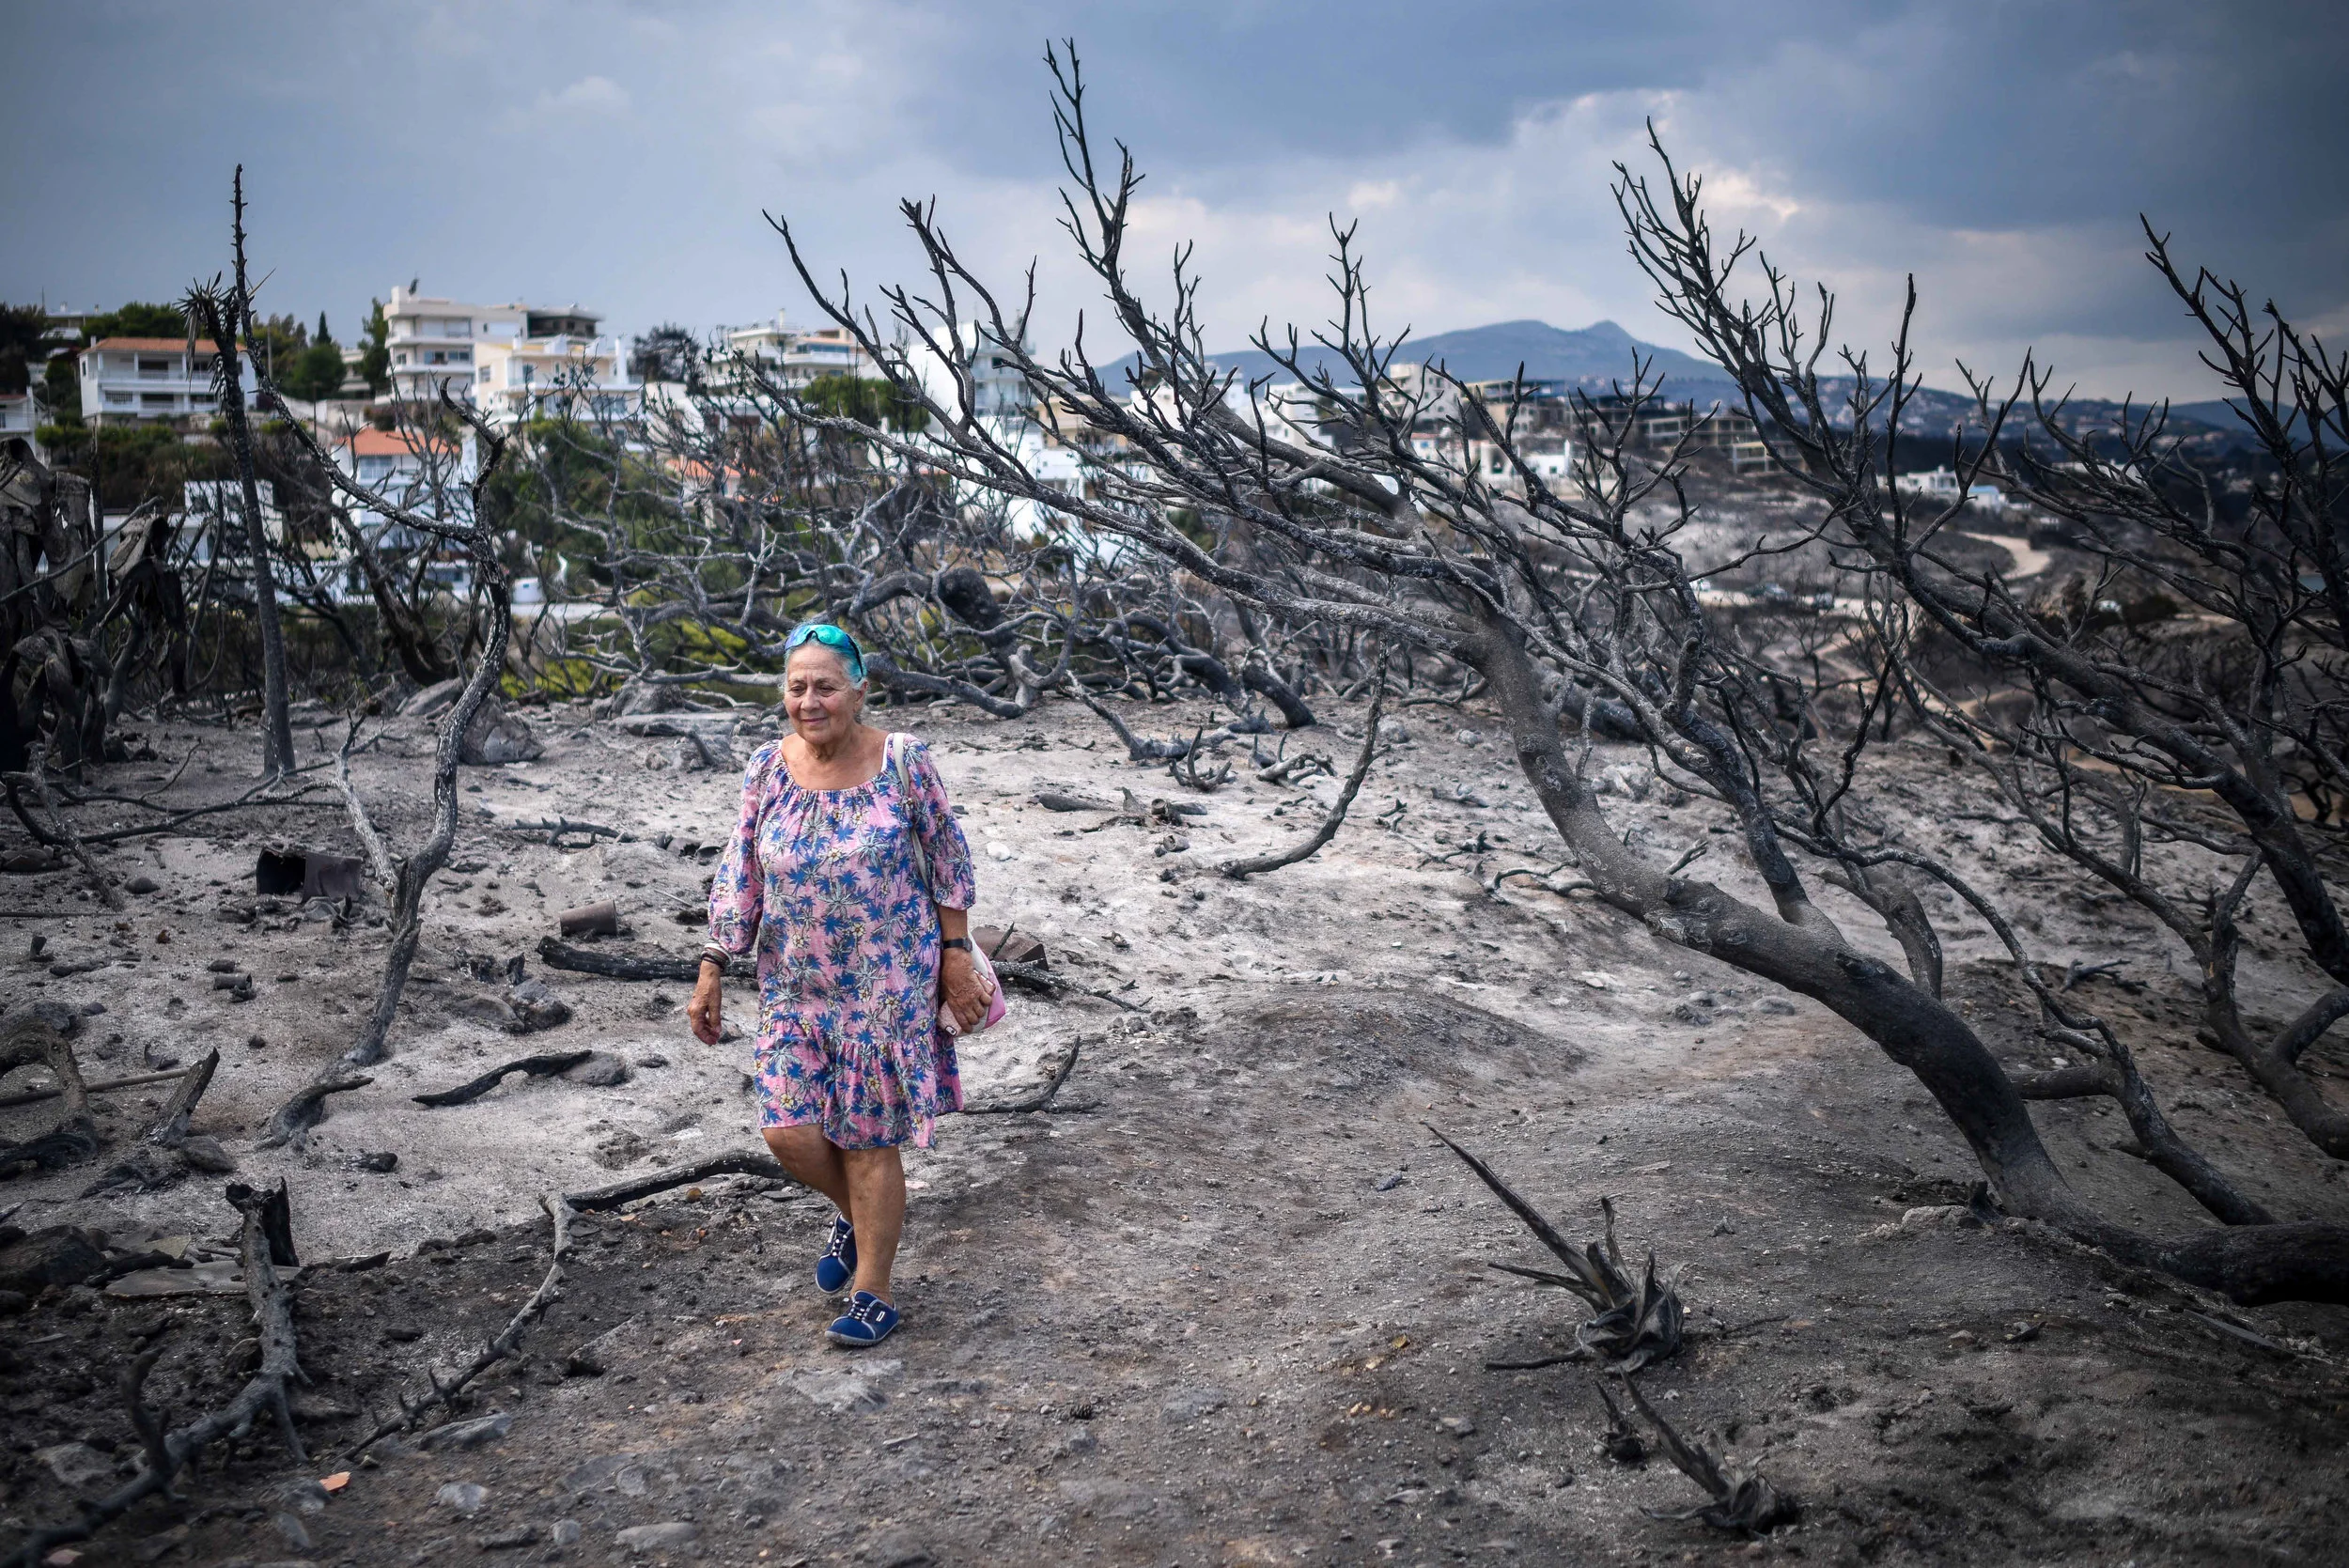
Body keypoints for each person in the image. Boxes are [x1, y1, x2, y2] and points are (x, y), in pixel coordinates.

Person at [688, 622, 992, 1347]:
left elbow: (949, 859)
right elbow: (741, 872)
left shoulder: (903, 760)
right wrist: (711, 964)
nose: (810, 700)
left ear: (860, 688)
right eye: (796, 686)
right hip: (793, 987)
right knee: (786, 1129)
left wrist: (956, 955)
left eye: (826, 685)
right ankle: (859, 1214)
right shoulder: (766, 768)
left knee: (867, 1139)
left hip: (885, 988)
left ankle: (874, 1293)